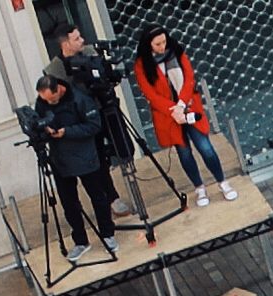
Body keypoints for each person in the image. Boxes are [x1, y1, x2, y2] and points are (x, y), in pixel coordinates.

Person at [130, 28, 231, 205]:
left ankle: (222, 181)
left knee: (205, 147)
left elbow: (189, 78)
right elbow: (149, 94)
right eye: (157, 44)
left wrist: (181, 105)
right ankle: (199, 188)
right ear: (149, 45)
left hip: (188, 106)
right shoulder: (141, 64)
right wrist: (174, 110)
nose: (162, 47)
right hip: (168, 115)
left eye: (164, 42)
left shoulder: (177, 50)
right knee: (184, 153)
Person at [32, 75, 118, 261]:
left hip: (85, 156)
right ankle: (80, 241)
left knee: (98, 197)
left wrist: (67, 132)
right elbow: (40, 122)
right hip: (60, 160)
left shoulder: (80, 99)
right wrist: (44, 131)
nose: (49, 103)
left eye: (52, 99)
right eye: (46, 100)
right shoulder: (42, 103)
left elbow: (94, 125)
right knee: (69, 203)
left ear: (59, 90)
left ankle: (107, 235)